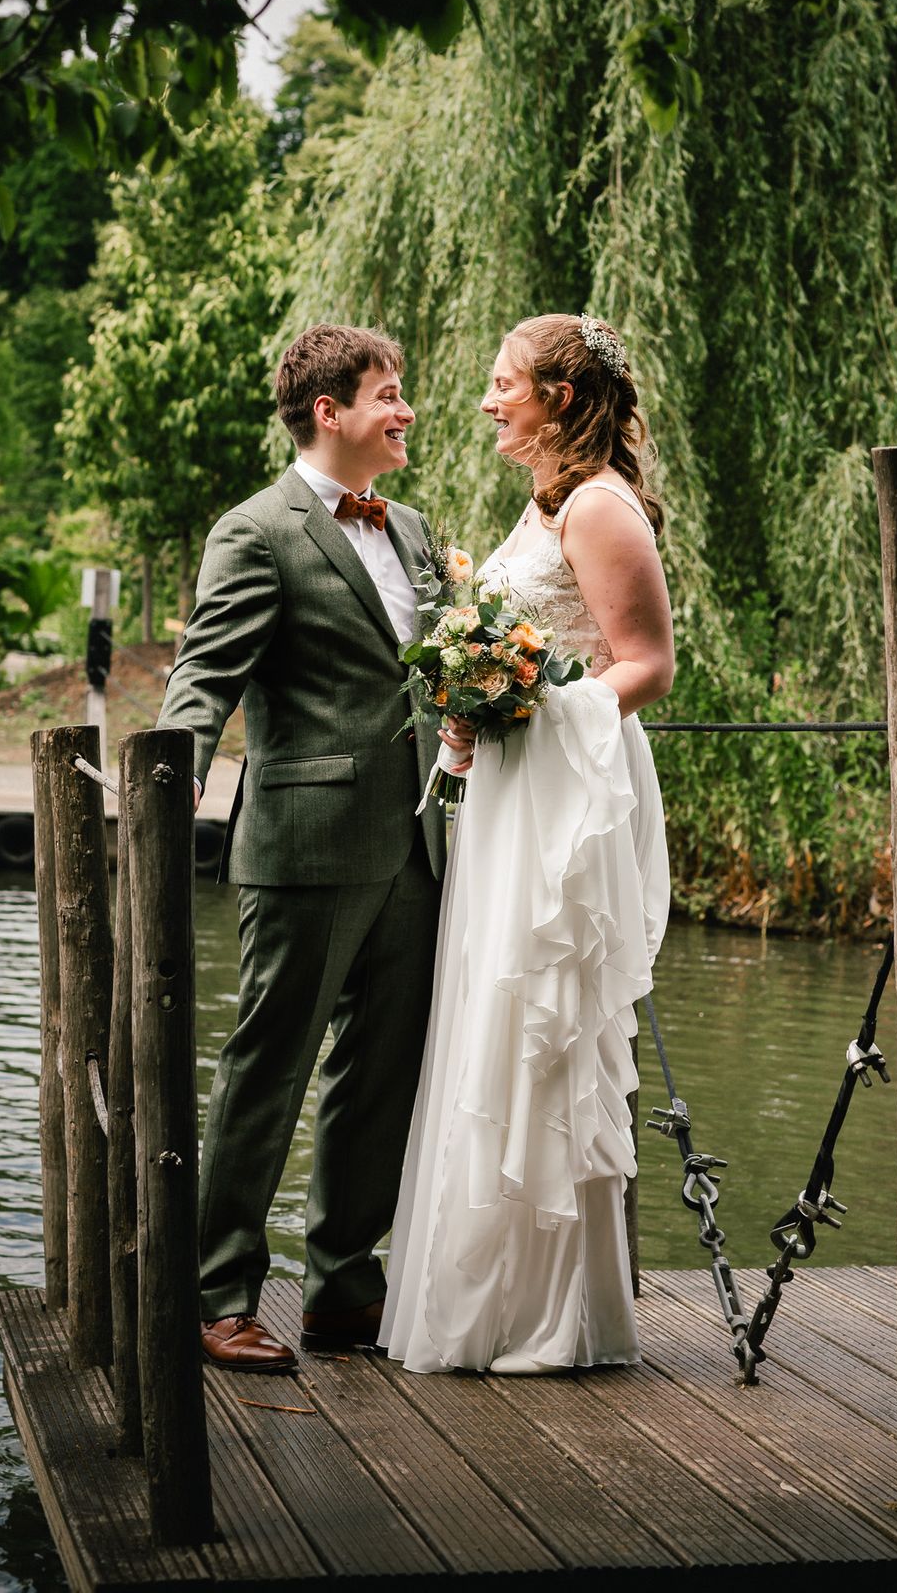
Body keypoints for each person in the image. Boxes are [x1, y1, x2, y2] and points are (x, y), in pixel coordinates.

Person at [380, 313, 674, 1374]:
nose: (487, 399)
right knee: (491, 1011)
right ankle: (492, 1295)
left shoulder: (599, 508)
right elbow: (524, 648)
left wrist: (529, 708)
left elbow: (643, 667)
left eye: (504, 383)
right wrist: (476, 702)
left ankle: (551, 1314)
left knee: (537, 1014)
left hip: (563, 795)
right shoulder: (548, 498)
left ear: (556, 396)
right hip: (514, 788)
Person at [159, 323, 447, 1372]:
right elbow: (206, 673)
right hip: (303, 843)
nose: (405, 408)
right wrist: (172, 775)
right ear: (328, 411)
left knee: (379, 1075)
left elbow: (437, 672)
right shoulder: (257, 529)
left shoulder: (412, 530)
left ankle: (340, 1289)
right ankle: (217, 1293)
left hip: (415, 844)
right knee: (266, 1070)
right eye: (387, 393)